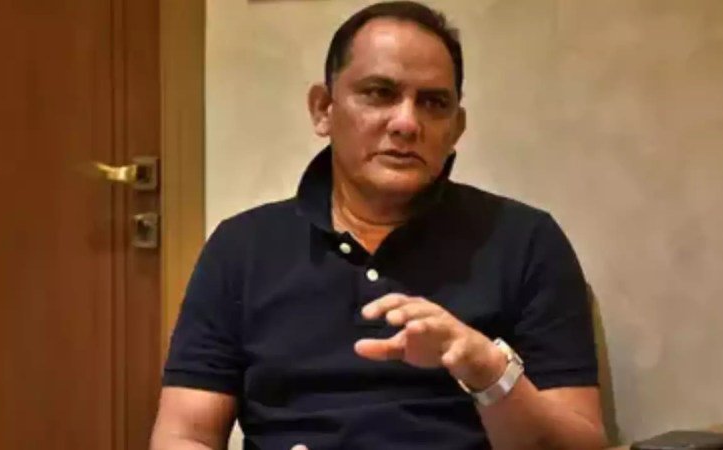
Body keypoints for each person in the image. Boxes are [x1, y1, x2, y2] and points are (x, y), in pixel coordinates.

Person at [150, 2, 607, 449]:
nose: (407, 123)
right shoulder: (242, 248)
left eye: (433, 103)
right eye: (379, 93)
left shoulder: (525, 241)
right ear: (323, 109)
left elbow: (582, 443)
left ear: (456, 128)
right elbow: (184, 434)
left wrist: (487, 369)